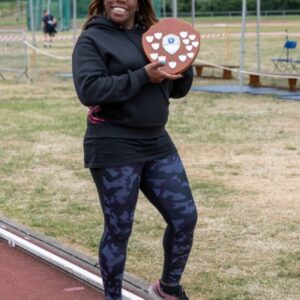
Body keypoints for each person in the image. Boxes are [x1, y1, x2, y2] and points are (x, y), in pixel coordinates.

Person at [72, 0, 198, 299]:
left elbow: (177, 91)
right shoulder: (92, 39)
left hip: (156, 142)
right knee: (120, 229)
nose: (120, 0)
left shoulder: (152, 35)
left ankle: (168, 288)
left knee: (185, 218)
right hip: (113, 144)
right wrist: (143, 75)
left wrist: (184, 63)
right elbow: (88, 90)